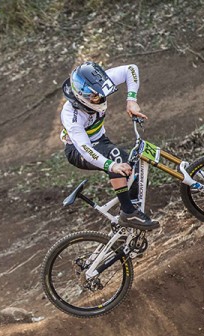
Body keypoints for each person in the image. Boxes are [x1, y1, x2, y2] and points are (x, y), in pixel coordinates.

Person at [59, 61, 159, 230]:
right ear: (81, 94)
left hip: (100, 141)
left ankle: (124, 232)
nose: (99, 98)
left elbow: (131, 69)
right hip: (78, 150)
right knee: (117, 159)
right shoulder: (71, 115)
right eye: (95, 97)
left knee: (136, 173)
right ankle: (128, 213)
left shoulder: (96, 83)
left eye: (101, 94)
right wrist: (111, 165)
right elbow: (86, 149)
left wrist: (131, 100)